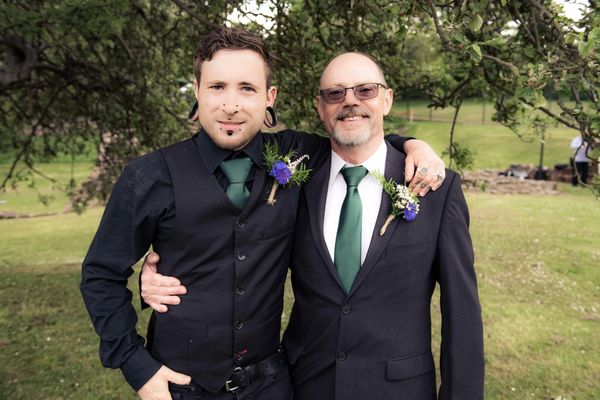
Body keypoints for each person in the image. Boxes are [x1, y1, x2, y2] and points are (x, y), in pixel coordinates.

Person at [80, 28, 445, 400]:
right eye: (217, 87)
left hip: (271, 385)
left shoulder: (297, 153)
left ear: (269, 97)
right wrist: (138, 367)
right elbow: (100, 274)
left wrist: (414, 146)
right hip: (179, 387)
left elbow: (356, 135)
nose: (231, 104)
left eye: (247, 89)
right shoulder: (149, 176)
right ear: (197, 91)